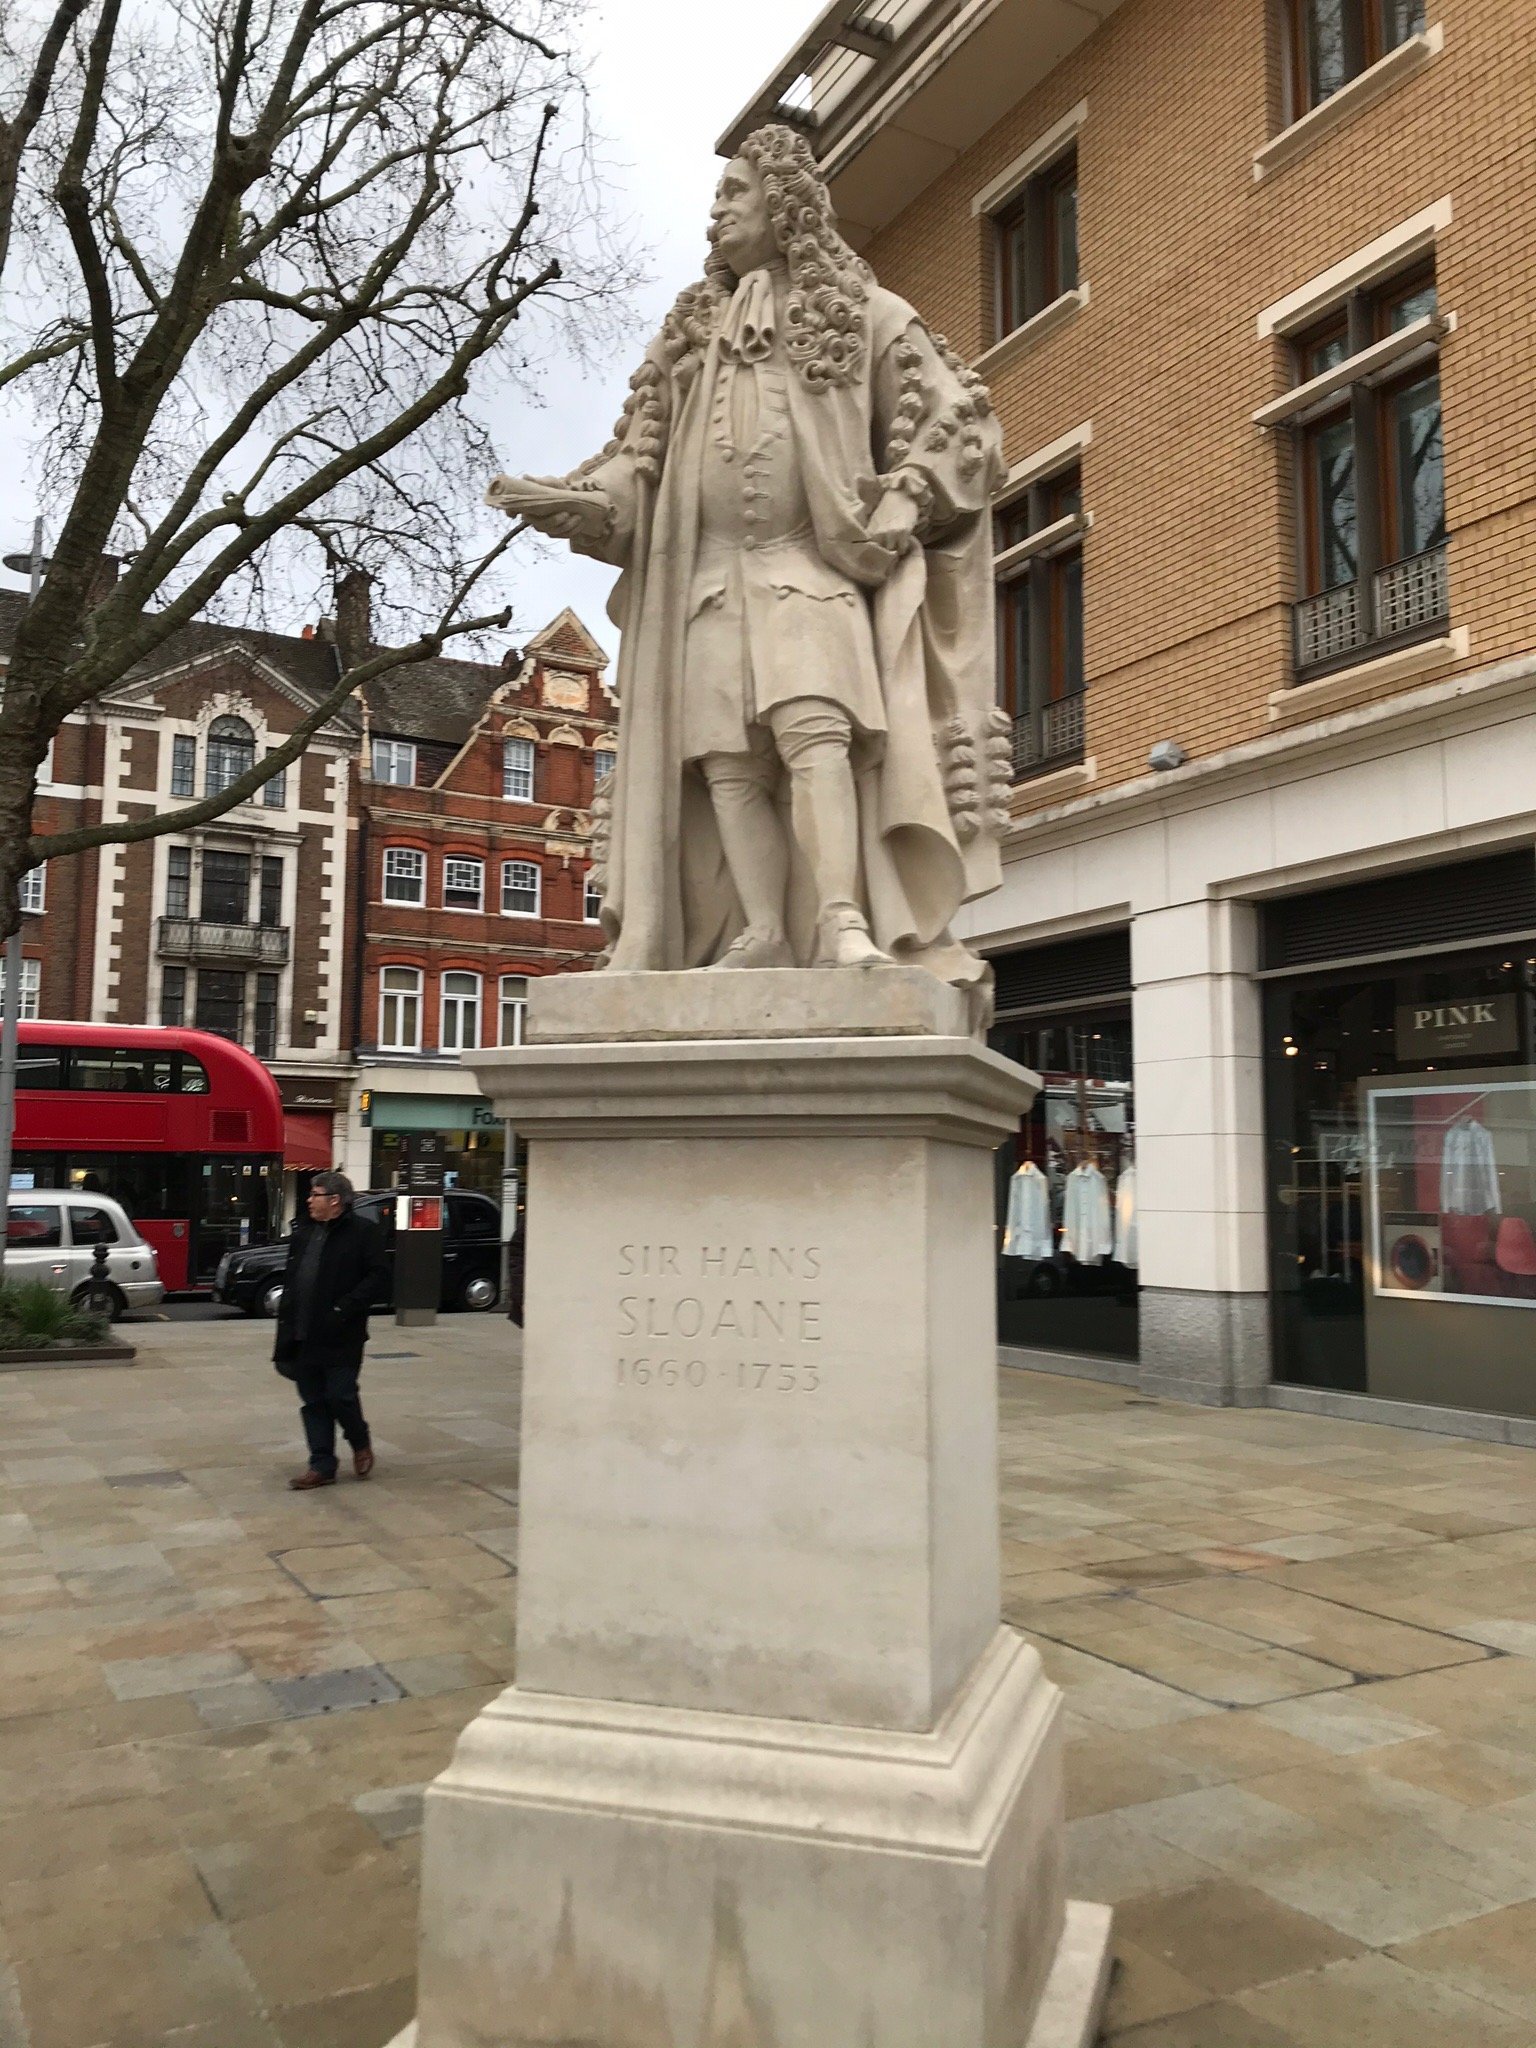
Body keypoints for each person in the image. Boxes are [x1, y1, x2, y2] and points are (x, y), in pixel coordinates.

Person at [487, 123, 1010, 999]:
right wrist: (590, 505)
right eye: (717, 197)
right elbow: (637, 463)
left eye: (734, 194)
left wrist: (910, 491)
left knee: (817, 740)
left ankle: (842, 918)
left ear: (785, 206)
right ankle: (764, 929)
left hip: (810, 566)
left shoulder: (866, 316)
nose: (717, 214)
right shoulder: (688, 343)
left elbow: (962, 426)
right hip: (706, 585)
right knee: (727, 764)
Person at [273, 1171, 389, 1490]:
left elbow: (378, 1278)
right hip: (303, 1331)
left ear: (335, 1200)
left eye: (316, 1194)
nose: (309, 1200)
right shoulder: (304, 1232)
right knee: (313, 1400)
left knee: (340, 1395)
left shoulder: (364, 1233)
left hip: (342, 1334)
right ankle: (321, 1465)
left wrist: (344, 1308)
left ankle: (359, 1440)